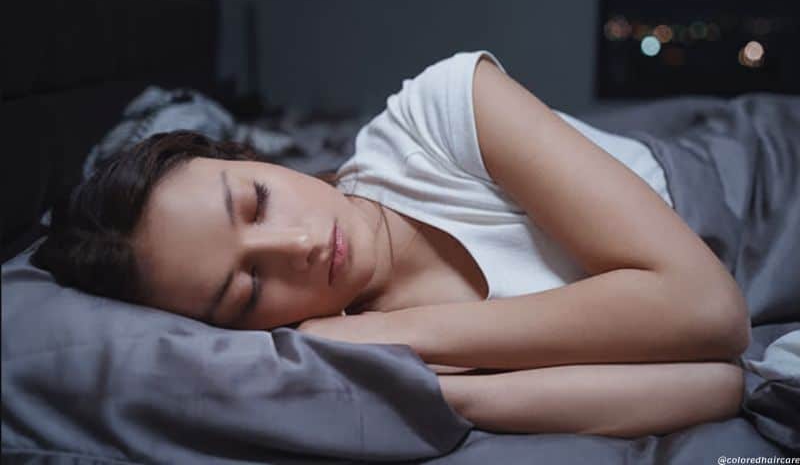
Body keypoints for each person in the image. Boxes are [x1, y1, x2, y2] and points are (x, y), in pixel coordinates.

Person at [31, 50, 750, 438]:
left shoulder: (441, 110)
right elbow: (719, 384)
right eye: (249, 286)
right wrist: (445, 389)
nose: (301, 244)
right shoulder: (363, 357)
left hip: (761, 178)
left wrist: (407, 329)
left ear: (256, 157)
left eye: (256, 201)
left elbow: (710, 311)